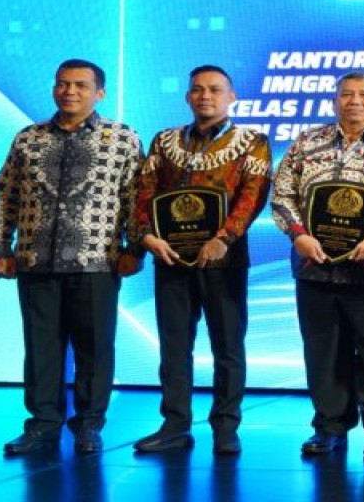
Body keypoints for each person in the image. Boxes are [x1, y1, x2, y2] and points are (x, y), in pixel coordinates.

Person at [0, 59, 144, 456]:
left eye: (79, 85)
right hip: (35, 260)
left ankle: (89, 425)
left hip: (97, 260)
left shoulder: (122, 139)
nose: (69, 91)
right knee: (41, 347)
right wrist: (0, 247)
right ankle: (42, 425)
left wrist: (134, 248)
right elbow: (7, 196)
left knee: (94, 348)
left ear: (99, 92)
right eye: (62, 84)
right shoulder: (28, 138)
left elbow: (137, 200)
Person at [272, 72, 364, 458]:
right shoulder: (308, 142)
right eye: (346, 94)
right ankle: (329, 426)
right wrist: (297, 234)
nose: (354, 101)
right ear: (334, 101)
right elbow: (283, 193)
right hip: (316, 266)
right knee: (323, 353)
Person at [131, 65, 271, 455]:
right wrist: (146, 235)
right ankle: (175, 423)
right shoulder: (165, 141)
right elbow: (144, 191)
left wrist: (224, 237)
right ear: (188, 97)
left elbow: (253, 195)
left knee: (228, 345)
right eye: (197, 90)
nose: (205, 96)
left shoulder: (251, 142)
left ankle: (226, 426)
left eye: (214, 90)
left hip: (223, 260)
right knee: (174, 345)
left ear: (232, 97)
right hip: (170, 257)